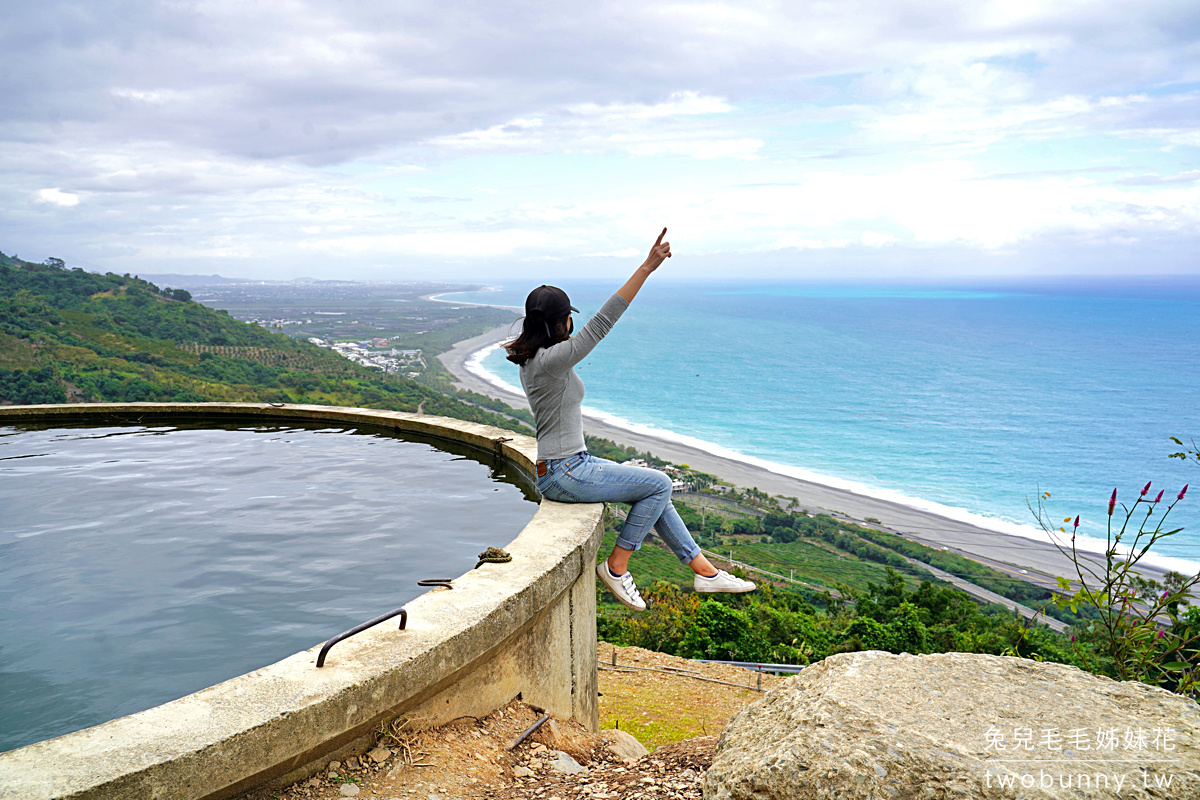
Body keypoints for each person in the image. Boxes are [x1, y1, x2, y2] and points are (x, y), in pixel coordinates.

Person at [504, 228, 756, 611]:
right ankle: (617, 568)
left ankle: (705, 573)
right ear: (561, 324)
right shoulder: (552, 362)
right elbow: (603, 323)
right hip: (564, 471)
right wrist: (647, 267)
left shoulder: (534, 360)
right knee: (659, 483)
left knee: (655, 490)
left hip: (569, 465)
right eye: (569, 319)